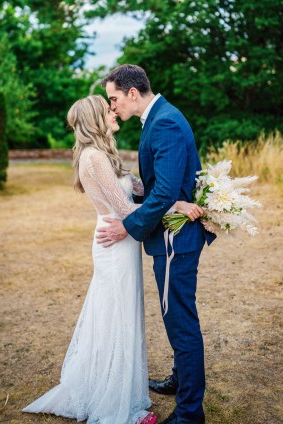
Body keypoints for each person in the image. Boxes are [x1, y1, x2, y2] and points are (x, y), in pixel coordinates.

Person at [22, 95, 198, 424]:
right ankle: (117, 405)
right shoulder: (93, 158)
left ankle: (120, 388)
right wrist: (177, 207)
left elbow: (141, 190)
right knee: (115, 318)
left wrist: (178, 191)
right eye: (108, 110)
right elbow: (127, 209)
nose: (113, 111)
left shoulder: (104, 155)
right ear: (95, 120)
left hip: (124, 241)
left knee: (124, 315)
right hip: (114, 243)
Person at [97, 65, 216, 424]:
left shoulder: (162, 122)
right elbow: (165, 186)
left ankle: (190, 413)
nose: (112, 106)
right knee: (176, 314)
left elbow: (164, 191)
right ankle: (181, 381)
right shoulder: (160, 117)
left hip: (174, 239)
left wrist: (127, 227)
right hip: (172, 235)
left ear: (133, 93)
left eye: (114, 98)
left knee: (180, 320)